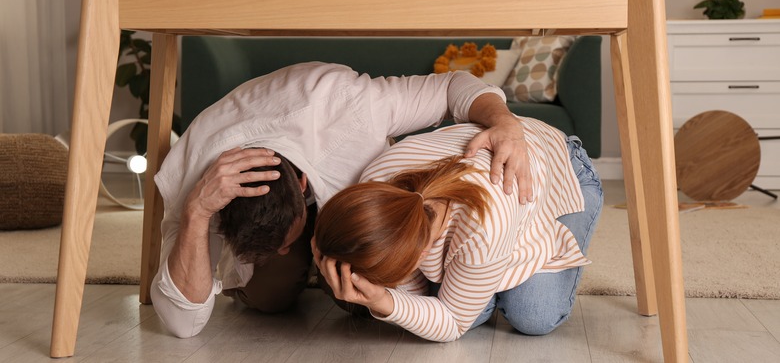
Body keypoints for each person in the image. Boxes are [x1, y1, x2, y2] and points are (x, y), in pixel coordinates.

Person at [150, 61, 534, 338]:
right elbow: (183, 324)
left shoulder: (350, 105)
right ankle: (279, 272)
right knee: (269, 300)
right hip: (235, 187)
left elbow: (453, 86)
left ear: (301, 183)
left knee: (358, 300)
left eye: (287, 242)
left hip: (345, 184)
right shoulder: (196, 179)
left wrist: (505, 123)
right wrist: (197, 213)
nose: (286, 251)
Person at [313, 118, 603, 342]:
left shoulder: (484, 225)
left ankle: (495, 271)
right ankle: (488, 275)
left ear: (423, 251)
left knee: (533, 316)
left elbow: (452, 322)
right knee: (468, 308)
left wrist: (385, 301)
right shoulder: (375, 182)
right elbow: (418, 297)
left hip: (562, 169)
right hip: (495, 195)